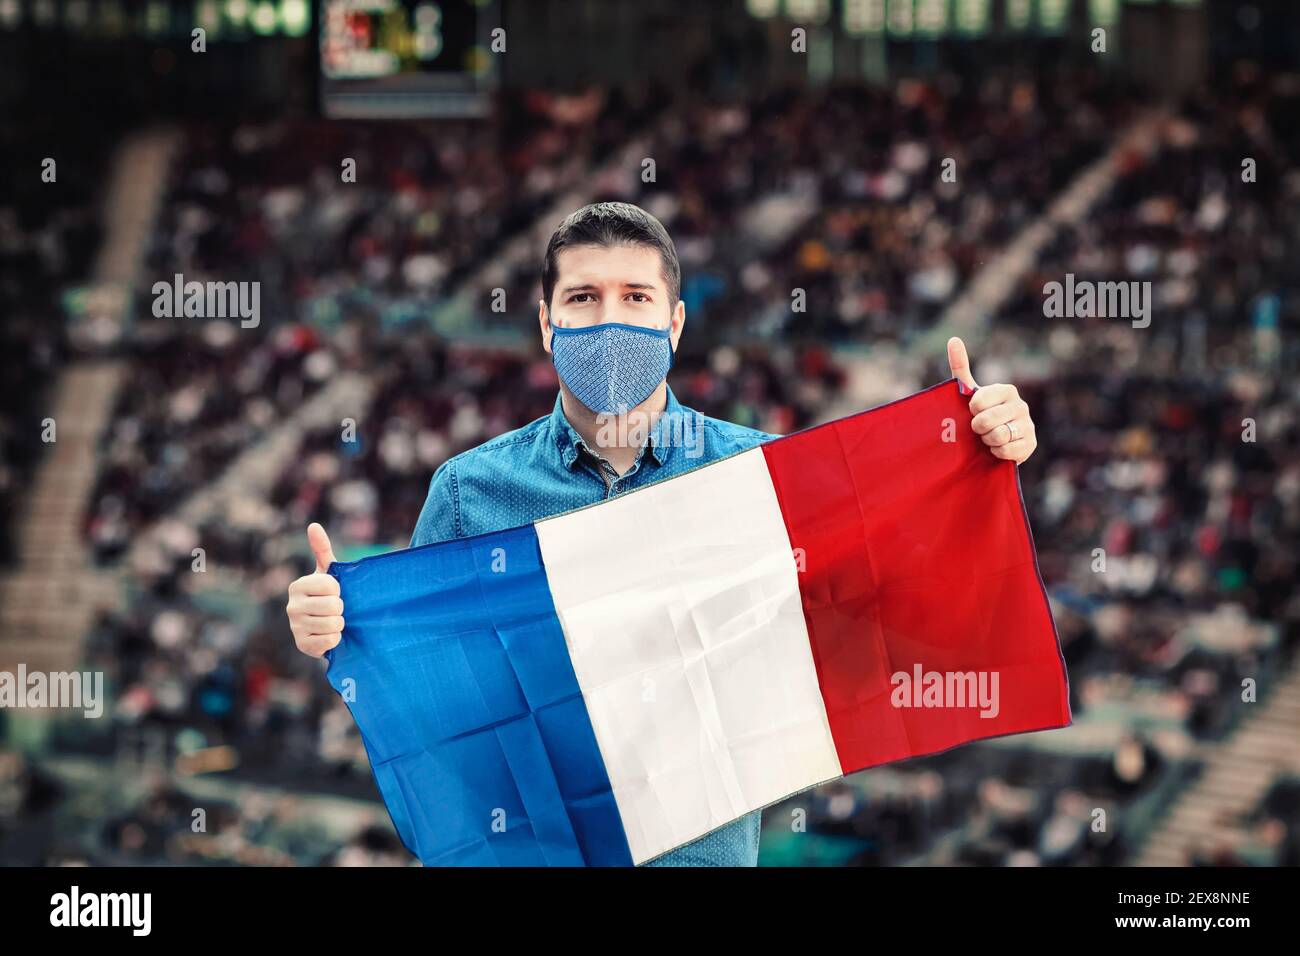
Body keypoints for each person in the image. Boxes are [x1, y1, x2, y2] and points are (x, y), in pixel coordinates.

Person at [285, 201, 1039, 866]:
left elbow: (891, 611)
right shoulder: (468, 492)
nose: (609, 319)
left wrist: (976, 459)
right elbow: (432, 696)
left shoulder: (757, 477)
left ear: (673, 322)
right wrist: (339, 634)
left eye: (635, 297)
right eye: (583, 298)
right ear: (547, 323)